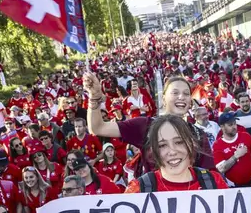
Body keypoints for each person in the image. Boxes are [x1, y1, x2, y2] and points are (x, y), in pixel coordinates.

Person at [85, 74, 215, 178]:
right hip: (154, 203)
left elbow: (211, 174)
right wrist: (94, 97)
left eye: (186, 94)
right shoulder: (145, 126)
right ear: (163, 99)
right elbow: (97, 128)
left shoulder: (198, 134)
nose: (181, 97)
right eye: (175, 93)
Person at [213, 111, 251, 187]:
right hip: (233, 186)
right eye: (230, 125)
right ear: (222, 127)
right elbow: (221, 169)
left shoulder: (246, 136)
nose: (234, 127)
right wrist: (235, 156)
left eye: (234, 123)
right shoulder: (217, 145)